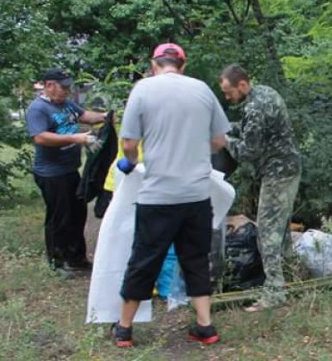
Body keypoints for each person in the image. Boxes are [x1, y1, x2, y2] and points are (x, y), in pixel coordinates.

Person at [112, 43, 230, 348]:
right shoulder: (203, 90)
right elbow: (219, 140)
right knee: (195, 259)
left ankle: (124, 329)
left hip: (158, 196)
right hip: (196, 195)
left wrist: (134, 161)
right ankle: (205, 326)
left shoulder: (142, 90)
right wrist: (193, 150)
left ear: (154, 64)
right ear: (183, 64)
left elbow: (128, 144)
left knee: (145, 259)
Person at [219, 64, 301, 312]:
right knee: (281, 230)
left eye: (228, 92)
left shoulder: (255, 106)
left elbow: (248, 151)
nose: (227, 97)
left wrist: (224, 141)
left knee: (267, 233)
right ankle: (292, 279)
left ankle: (275, 292)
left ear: (242, 85)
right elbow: (251, 129)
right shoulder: (265, 93)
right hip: (288, 169)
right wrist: (228, 128)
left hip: (278, 175)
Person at [26, 67, 108, 275]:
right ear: (49, 85)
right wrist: (75, 138)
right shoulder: (38, 109)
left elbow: (85, 116)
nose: (67, 91)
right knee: (59, 216)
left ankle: (76, 257)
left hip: (70, 170)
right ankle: (58, 261)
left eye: (69, 87)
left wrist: (105, 116)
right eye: (63, 87)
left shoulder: (65, 104)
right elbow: (40, 137)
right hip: (51, 173)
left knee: (77, 213)